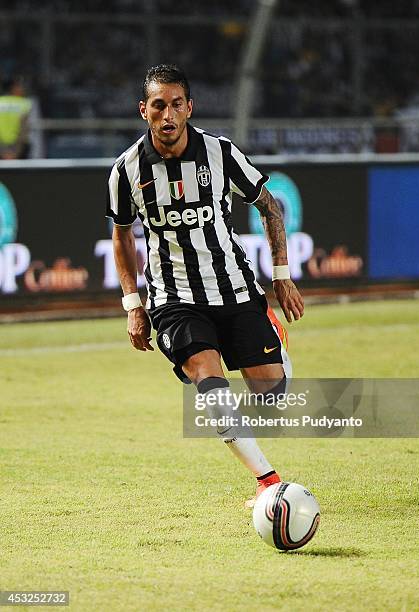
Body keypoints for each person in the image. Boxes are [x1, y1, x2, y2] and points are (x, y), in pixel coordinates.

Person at [106, 64, 304, 507]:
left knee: (271, 395)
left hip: (235, 288)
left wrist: (282, 274)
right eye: (159, 105)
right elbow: (121, 234)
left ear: (189, 107)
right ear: (144, 111)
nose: (168, 113)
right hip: (173, 299)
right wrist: (133, 304)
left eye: (177, 104)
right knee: (208, 381)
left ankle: (272, 334)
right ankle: (268, 482)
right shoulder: (126, 170)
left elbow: (269, 205)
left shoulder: (220, 153)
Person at [0, 76, 32, 160]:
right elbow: (24, 129)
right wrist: (15, 152)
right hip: (19, 149)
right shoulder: (24, 104)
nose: (22, 88)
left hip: (2, 149)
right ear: (13, 88)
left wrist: (2, 151)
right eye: (19, 86)